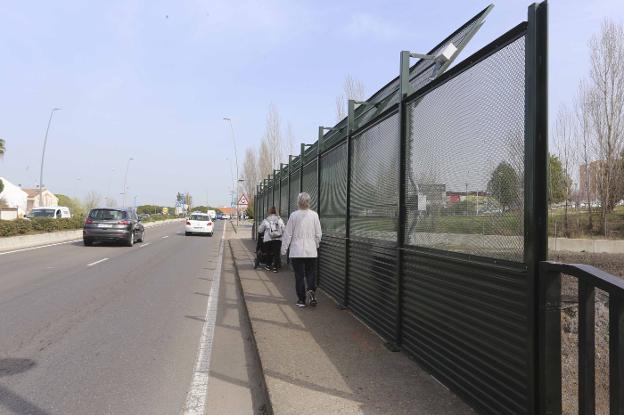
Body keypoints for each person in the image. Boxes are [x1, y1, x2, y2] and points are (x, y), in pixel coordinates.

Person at [281, 192, 322, 308]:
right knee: (311, 273)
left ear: (298, 202)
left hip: (296, 251)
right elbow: (318, 234)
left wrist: (283, 249)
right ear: (309, 202)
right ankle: (311, 290)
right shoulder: (314, 215)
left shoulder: (294, 215)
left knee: (299, 276)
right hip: (311, 250)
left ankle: (301, 300)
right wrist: (316, 245)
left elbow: (288, 234)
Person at [257, 206, 285, 272]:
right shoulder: (280, 220)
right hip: (278, 239)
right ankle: (275, 267)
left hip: (268, 239)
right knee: (277, 253)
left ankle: (268, 265)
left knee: (268, 252)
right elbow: (284, 229)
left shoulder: (266, 220)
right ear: (277, 212)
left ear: (269, 212)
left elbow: (260, 230)